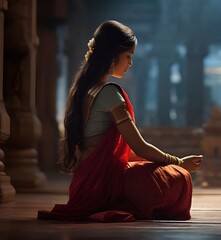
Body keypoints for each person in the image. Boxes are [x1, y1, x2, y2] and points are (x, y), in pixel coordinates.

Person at [38, 20, 203, 222]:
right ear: (112, 55)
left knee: (150, 168)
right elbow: (140, 147)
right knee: (180, 178)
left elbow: (125, 152)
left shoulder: (84, 90)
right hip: (107, 184)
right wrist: (179, 163)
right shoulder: (109, 93)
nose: (130, 63)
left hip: (85, 185)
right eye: (128, 56)